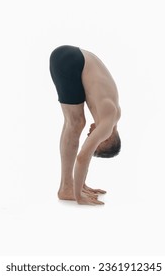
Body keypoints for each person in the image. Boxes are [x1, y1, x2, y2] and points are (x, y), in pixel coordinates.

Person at [49, 45, 121, 205]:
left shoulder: (114, 113)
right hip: (71, 61)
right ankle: (67, 188)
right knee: (75, 123)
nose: (90, 138)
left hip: (72, 56)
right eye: (96, 144)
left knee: (75, 121)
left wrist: (80, 184)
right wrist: (79, 197)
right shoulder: (107, 126)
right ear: (107, 140)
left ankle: (71, 184)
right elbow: (83, 157)